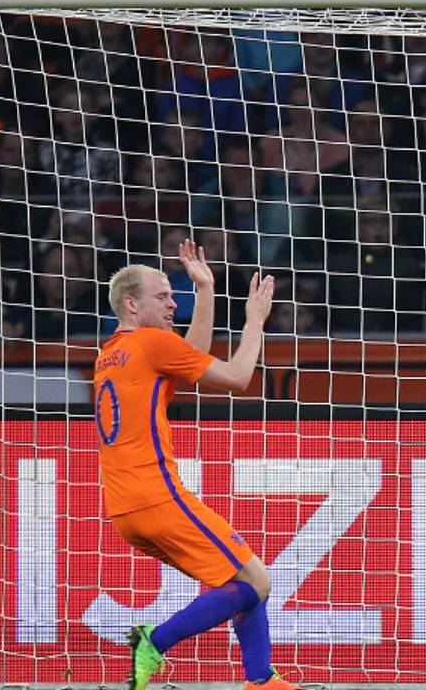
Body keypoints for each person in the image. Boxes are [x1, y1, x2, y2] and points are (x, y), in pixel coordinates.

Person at [92, 240, 291, 690]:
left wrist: (205, 291)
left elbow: (186, 359)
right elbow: (238, 377)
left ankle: (262, 681)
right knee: (256, 580)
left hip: (126, 510)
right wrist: (254, 323)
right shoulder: (148, 344)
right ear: (130, 302)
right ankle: (155, 641)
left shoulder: (112, 353)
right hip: (158, 495)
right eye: (162, 295)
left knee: (236, 574)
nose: (171, 302)